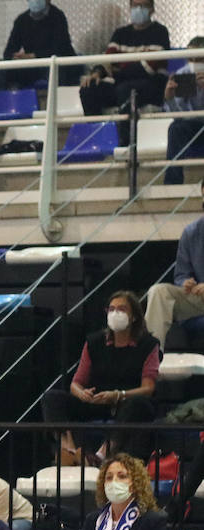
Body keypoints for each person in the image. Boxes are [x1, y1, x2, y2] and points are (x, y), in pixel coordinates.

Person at [43, 290, 159, 463]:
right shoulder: (94, 342)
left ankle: (102, 454)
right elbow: (76, 383)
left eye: (121, 309)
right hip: (96, 400)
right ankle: (70, 451)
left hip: (125, 402)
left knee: (139, 405)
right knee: (52, 398)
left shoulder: (148, 345)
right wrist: (82, 394)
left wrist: (119, 395)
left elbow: (148, 388)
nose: (115, 313)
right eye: (111, 309)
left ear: (134, 316)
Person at [80, 0, 171, 145]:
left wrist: (118, 70)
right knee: (89, 88)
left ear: (152, 9)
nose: (138, 9)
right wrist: (97, 72)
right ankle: (96, 139)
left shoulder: (159, 32)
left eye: (143, 6)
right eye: (135, 5)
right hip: (121, 85)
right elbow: (108, 60)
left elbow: (148, 67)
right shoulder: (120, 33)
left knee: (126, 90)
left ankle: (126, 144)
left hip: (151, 87)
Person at [144, 183, 204, 342]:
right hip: (199, 299)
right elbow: (181, 274)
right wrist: (186, 283)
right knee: (158, 292)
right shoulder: (191, 232)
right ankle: (152, 356)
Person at [0, 0, 79, 91]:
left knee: (54, 68)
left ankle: (58, 103)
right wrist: (14, 57)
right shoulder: (21, 20)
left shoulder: (58, 17)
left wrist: (33, 56)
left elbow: (60, 48)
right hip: (31, 65)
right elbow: (9, 50)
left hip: (53, 63)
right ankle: (0, 103)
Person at [163, 50, 204, 186]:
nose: (197, 64)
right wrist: (170, 98)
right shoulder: (183, 74)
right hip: (190, 126)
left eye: (200, 60)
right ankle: (172, 183)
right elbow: (178, 117)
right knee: (175, 128)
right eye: (192, 59)